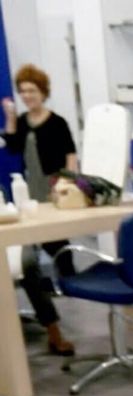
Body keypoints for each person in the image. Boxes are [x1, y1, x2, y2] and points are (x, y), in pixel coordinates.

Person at [2, 63, 78, 355]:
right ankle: (51, 296)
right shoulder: (22, 121)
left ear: (43, 92)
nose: (27, 96)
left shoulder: (57, 122)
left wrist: (68, 183)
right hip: (30, 188)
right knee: (31, 250)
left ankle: (68, 283)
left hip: (54, 185)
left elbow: (70, 155)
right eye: (23, 91)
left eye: (32, 90)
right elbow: (11, 146)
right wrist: (11, 117)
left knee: (58, 244)